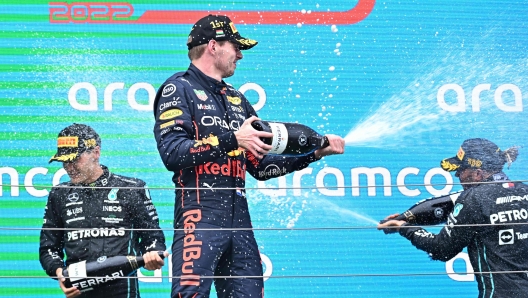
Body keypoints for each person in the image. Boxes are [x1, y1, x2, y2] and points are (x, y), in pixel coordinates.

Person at [152, 14, 345, 298]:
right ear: (213, 46)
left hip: (240, 223)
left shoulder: (237, 99)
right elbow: (172, 153)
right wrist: (232, 139)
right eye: (236, 46)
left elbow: (261, 165)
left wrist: (315, 153)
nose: (240, 54)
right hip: (199, 216)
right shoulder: (178, 88)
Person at [378, 138, 528, 297]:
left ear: (478, 173)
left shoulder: (474, 199)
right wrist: (408, 217)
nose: (457, 174)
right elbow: (449, 206)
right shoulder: (523, 191)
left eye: (462, 169)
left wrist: (405, 228)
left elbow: (441, 249)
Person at [39, 123, 167, 298]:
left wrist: (153, 254)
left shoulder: (131, 189)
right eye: (64, 161)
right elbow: (49, 248)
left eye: (74, 159)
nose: (69, 167)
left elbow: (152, 237)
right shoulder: (59, 194)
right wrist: (60, 273)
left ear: (96, 152)